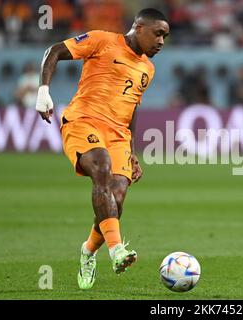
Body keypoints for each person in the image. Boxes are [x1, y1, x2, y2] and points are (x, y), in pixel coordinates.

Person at [35, 8, 170, 290]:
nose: (161, 41)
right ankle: (117, 250)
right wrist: (43, 91)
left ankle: (88, 251)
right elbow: (55, 50)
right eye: (158, 33)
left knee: (116, 199)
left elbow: (132, 106)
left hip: (119, 134)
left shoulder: (148, 68)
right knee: (101, 168)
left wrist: (132, 151)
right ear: (139, 27)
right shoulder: (101, 40)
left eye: (165, 36)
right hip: (84, 120)